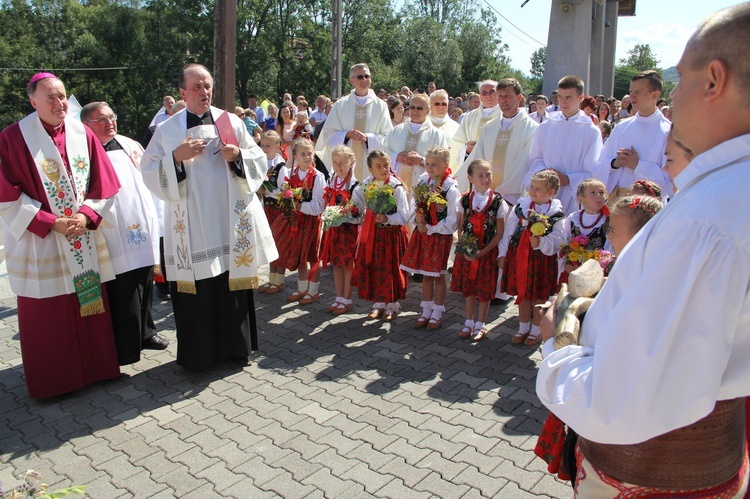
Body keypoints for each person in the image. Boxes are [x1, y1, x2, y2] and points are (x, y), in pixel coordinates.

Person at [536, 4, 750, 495]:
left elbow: (620, 402)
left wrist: (558, 344)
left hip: (656, 469)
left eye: (681, 81)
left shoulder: (707, 222)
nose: (674, 96)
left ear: (714, 80)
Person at [141, 64, 277, 370]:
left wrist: (238, 156)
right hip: (191, 224)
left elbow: (257, 157)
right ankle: (199, 356)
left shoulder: (228, 121)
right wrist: (175, 158)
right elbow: (147, 169)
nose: (204, 92)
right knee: (199, 289)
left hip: (228, 219)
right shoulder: (167, 130)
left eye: (208, 86)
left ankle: (235, 349)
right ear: (183, 92)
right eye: (197, 87)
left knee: (230, 283)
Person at [0, 73, 121, 398]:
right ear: (33, 101)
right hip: (42, 242)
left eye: (63, 96)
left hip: (81, 233)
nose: (59, 103)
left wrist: (86, 215)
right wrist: (48, 221)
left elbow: (103, 182)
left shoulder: (82, 133)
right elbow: (6, 195)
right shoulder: (13, 138)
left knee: (87, 304)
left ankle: (97, 369)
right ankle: (55, 382)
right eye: (50, 97)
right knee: (50, 314)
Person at [533, 194, 662, 484]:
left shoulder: (640, 286)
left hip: (613, 430)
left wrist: (551, 340)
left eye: (613, 231)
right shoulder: (636, 268)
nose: (608, 237)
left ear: (640, 235)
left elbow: (610, 359)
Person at [80, 101, 169, 365]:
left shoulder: (130, 144)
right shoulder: (83, 153)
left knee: (145, 281)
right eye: (101, 120)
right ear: (86, 126)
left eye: (112, 117)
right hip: (111, 231)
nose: (110, 123)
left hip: (141, 225)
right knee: (122, 288)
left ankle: (146, 332)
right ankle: (125, 344)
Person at [498, 170, 565, 347]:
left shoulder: (556, 215)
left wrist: (542, 242)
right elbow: (509, 231)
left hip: (542, 261)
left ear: (551, 193)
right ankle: (522, 328)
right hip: (520, 257)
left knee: (539, 297)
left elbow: (559, 240)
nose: (532, 191)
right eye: (532, 187)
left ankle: (536, 330)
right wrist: (503, 253)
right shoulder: (522, 207)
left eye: (538, 189)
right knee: (524, 294)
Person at [400, 147, 459, 331]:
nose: (430, 168)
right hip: (423, 233)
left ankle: (437, 312)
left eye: (435, 165)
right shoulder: (423, 180)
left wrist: (432, 227)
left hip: (439, 236)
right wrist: (417, 217)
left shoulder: (450, 187)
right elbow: (415, 203)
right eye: (427, 164)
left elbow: (452, 220)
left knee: (439, 275)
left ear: (446, 165)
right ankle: (425, 310)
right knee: (426, 274)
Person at [526, 75, 604, 215]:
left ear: (580, 98)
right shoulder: (546, 126)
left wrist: (567, 179)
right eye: (560, 97)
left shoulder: (590, 131)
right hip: (545, 192)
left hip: (572, 195)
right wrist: (546, 175)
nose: (563, 102)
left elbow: (593, 171)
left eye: (569, 97)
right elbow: (535, 159)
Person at [450, 160, 507, 342]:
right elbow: (461, 225)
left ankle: (481, 324)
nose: (485, 179)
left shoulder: (498, 202)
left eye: (488, 174)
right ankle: (468, 322)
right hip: (468, 253)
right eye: (480, 175)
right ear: (470, 178)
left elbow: (499, 233)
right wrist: (465, 247)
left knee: (484, 290)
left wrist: (483, 252)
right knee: (469, 289)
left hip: (487, 253)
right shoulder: (465, 199)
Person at [352, 150, 409, 322]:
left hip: (391, 235)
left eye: (386, 165)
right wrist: (352, 212)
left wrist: (387, 218)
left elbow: (405, 216)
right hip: (373, 234)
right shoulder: (365, 185)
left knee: (390, 268)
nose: (384, 169)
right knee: (375, 267)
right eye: (379, 166)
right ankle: (378, 303)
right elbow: (357, 205)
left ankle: (392, 304)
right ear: (370, 169)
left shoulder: (395, 186)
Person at [599, 70, 672, 204]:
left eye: (638, 92)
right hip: (617, 200)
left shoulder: (668, 132)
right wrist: (614, 163)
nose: (632, 96)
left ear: (655, 94)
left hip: (647, 204)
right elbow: (601, 161)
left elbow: (671, 177)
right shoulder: (622, 127)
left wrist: (638, 165)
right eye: (631, 92)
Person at [462, 78, 538, 205]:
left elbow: (523, 164)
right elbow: (478, 157)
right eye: (500, 96)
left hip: (513, 198)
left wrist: (502, 191)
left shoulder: (531, 128)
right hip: (486, 195)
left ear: (519, 98)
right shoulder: (489, 127)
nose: (503, 100)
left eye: (508, 96)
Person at [316, 63, 393, 181]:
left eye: (367, 76)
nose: (364, 79)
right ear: (351, 80)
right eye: (360, 77)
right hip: (346, 164)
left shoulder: (381, 106)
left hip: (371, 165)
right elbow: (327, 134)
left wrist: (368, 138)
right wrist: (346, 135)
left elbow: (388, 137)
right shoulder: (341, 105)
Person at [270, 139, 325, 305]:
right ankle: (302, 289)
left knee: (312, 256)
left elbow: (319, 205)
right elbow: (285, 193)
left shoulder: (318, 177)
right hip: (296, 221)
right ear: (295, 155)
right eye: (303, 154)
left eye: (309, 153)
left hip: (311, 221)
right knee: (300, 255)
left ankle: (313, 290)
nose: (307, 157)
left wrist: (300, 205)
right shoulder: (292, 173)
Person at [320, 145, 363, 315]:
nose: (338, 166)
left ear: (351, 163)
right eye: (335, 162)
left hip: (348, 231)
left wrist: (343, 214)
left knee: (347, 264)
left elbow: (359, 214)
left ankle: (347, 298)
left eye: (342, 163)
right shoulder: (332, 180)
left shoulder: (356, 186)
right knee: (336, 263)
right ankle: (338, 297)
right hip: (335, 230)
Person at [382, 93, 447, 194]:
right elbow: (382, 152)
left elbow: (443, 162)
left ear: (428, 111)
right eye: (412, 107)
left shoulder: (436, 134)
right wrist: (396, 157)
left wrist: (421, 161)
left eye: (420, 108)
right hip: (395, 185)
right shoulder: (396, 130)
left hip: (422, 188)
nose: (415, 111)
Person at [557, 178, 609, 288]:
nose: (598, 196)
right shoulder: (573, 218)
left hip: (595, 275)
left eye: (601, 192)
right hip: (572, 272)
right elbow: (564, 241)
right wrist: (566, 263)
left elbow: (610, 249)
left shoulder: (607, 221)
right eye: (593, 193)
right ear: (581, 199)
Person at [256, 130, 289, 295]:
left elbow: (284, 191)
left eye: (268, 145)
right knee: (269, 243)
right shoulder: (260, 162)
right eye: (262, 145)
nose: (264, 148)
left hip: (278, 209)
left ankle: (279, 280)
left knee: (279, 243)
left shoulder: (280, 166)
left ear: (277, 146)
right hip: (266, 209)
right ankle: (271, 278)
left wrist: (266, 190)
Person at [449, 80, 501, 174]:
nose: (488, 95)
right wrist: (466, 148)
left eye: (492, 91)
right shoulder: (469, 117)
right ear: (480, 96)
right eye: (484, 93)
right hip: (471, 166)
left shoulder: (504, 116)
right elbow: (458, 142)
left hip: (495, 168)